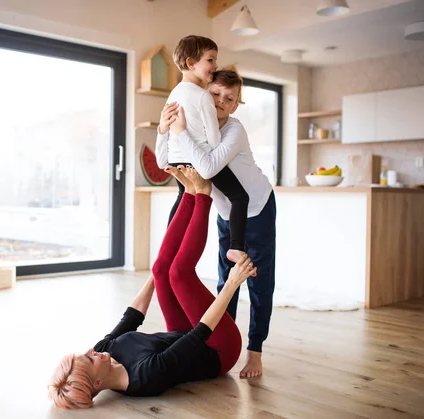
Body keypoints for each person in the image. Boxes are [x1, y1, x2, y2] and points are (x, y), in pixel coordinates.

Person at [48, 167, 257, 409]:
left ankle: (189, 192)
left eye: (85, 354)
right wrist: (232, 282)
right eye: (90, 359)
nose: (91, 351)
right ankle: (204, 192)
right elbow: (199, 334)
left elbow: (132, 316)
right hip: (217, 349)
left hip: (180, 334)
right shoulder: (146, 376)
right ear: (97, 382)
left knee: (162, 270)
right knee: (179, 274)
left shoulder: (102, 352)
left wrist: (157, 275)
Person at [157, 70, 276, 378]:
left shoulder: (234, 131)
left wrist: (180, 133)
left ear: (236, 105)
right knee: (226, 284)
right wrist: (163, 129)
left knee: (259, 284)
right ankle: (221, 342)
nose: (222, 102)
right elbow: (172, 167)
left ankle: (254, 352)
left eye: (230, 98)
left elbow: (208, 167)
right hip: (228, 214)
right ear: (203, 97)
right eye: (215, 94)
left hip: (258, 208)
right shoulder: (198, 130)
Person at [158, 35, 249, 264]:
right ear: (191, 63)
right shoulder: (201, 97)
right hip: (198, 161)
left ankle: (170, 241)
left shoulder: (174, 93)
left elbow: (168, 130)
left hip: (177, 160)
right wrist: (214, 144)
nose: (215, 65)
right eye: (211, 59)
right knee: (239, 196)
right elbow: (214, 138)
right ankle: (236, 247)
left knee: (182, 198)